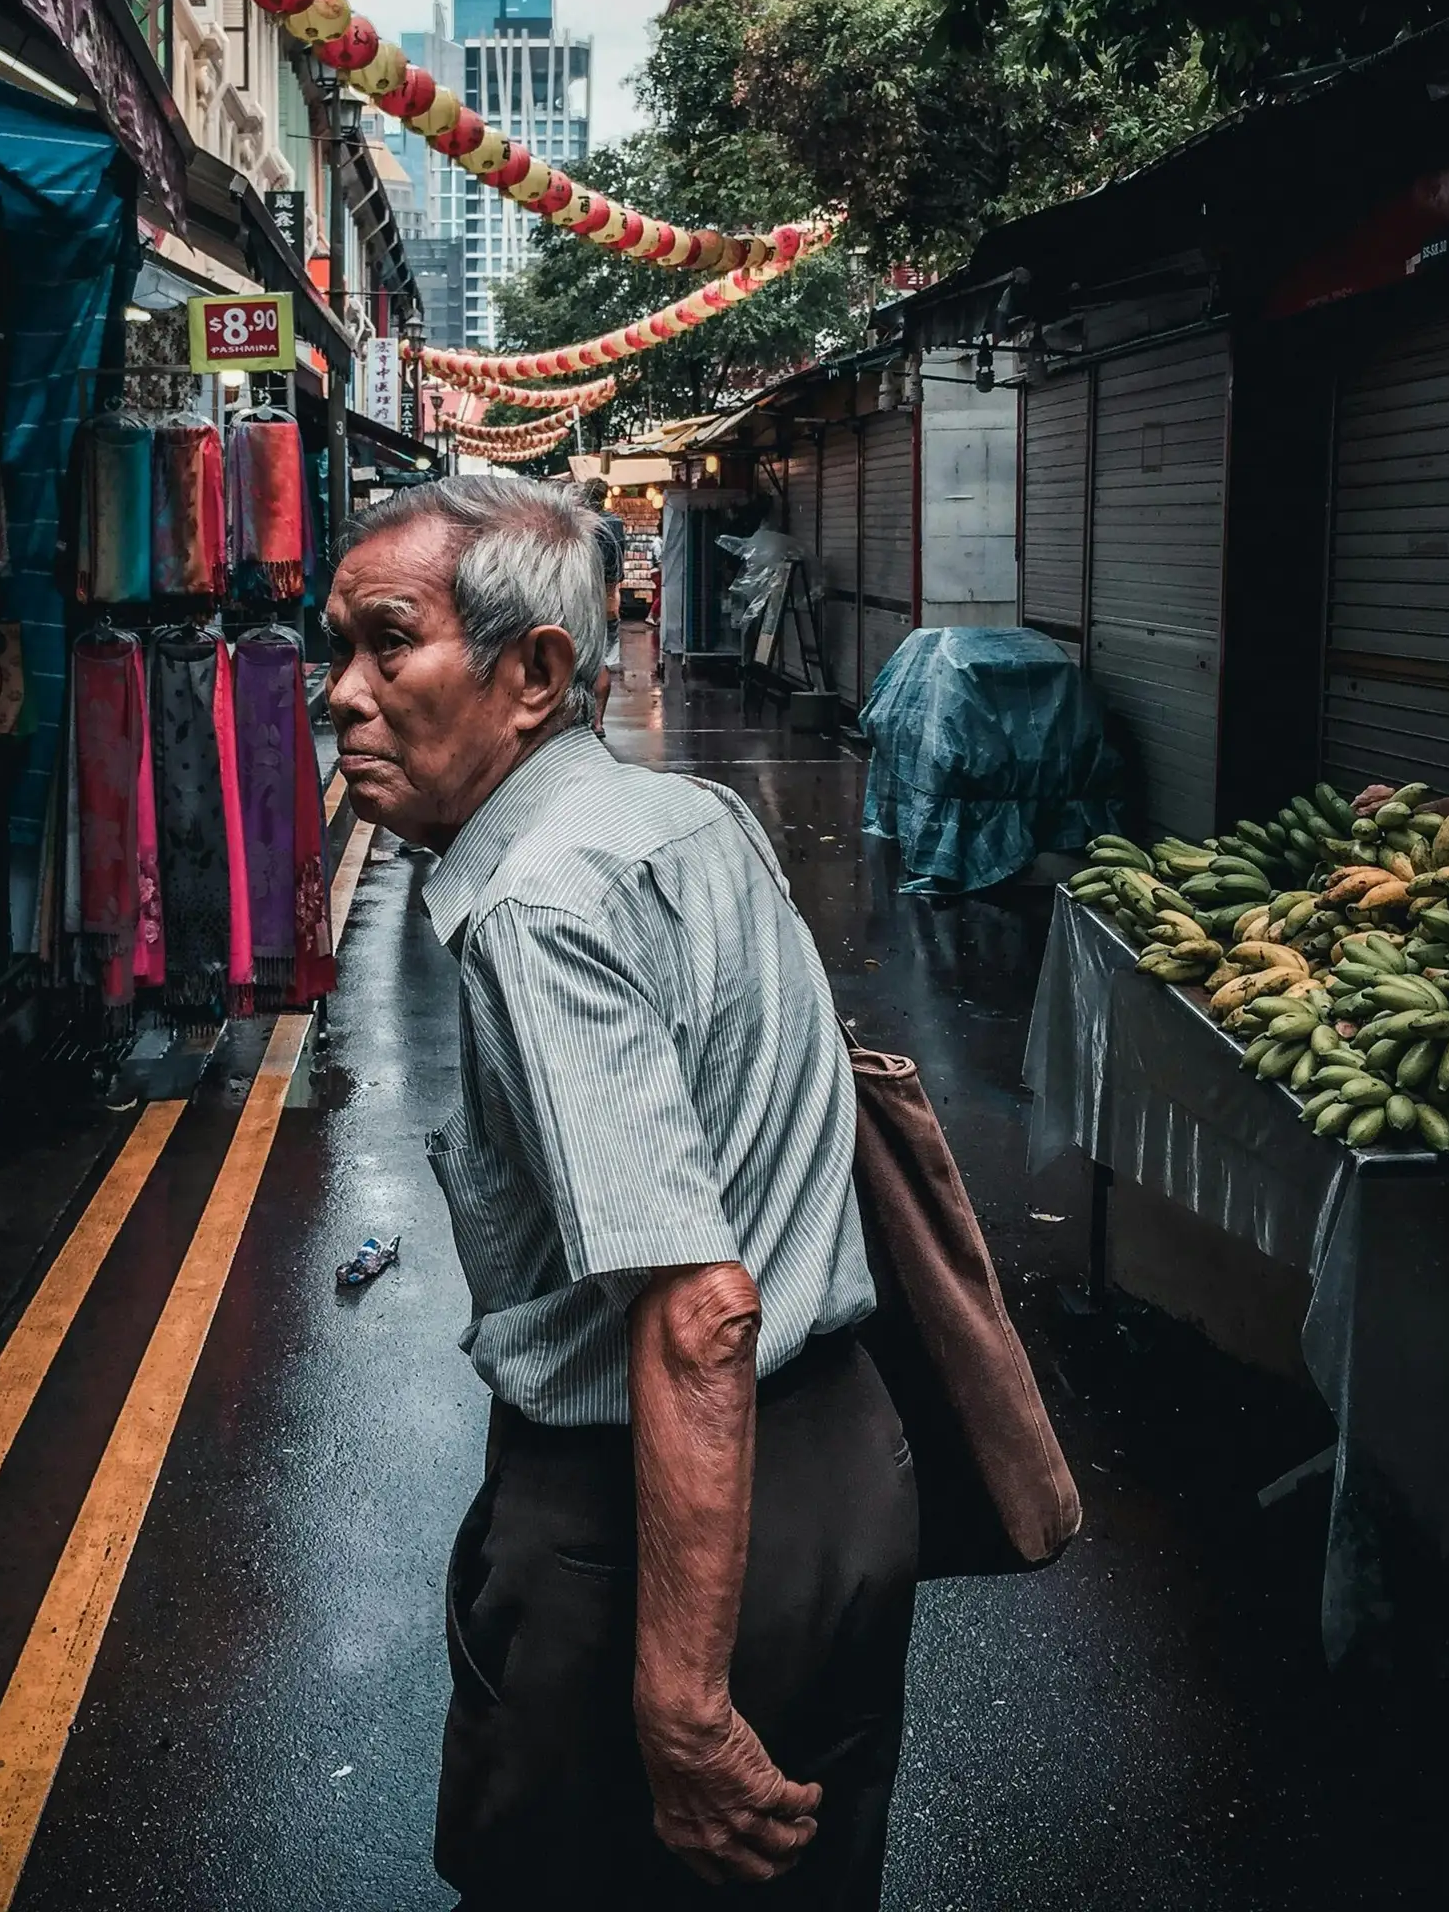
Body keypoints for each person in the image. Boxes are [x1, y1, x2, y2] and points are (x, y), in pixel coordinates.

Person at [324, 476, 917, 1910]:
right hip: (836, 1480)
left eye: (386, 644)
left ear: (533, 674)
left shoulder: (539, 903)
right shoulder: (690, 814)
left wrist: (682, 1700)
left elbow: (699, 1312)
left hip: (659, 1517)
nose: (340, 696)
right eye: (335, 648)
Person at [580, 476, 628, 728]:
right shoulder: (616, 525)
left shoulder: (581, 523)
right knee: (604, 662)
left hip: (583, 600)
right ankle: (598, 720)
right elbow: (620, 569)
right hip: (609, 599)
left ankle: (583, 717)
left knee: (584, 661)